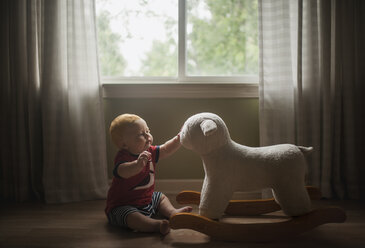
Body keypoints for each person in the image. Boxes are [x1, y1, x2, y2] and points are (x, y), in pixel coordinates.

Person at [105, 113, 192, 235]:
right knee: (131, 217)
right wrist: (137, 164)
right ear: (124, 144)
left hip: (146, 201)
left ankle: (172, 212)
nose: (148, 136)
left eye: (147, 131)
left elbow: (166, 149)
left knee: (160, 197)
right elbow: (123, 171)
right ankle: (155, 225)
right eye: (141, 134)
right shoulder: (123, 157)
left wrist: (180, 137)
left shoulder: (150, 151)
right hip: (123, 205)